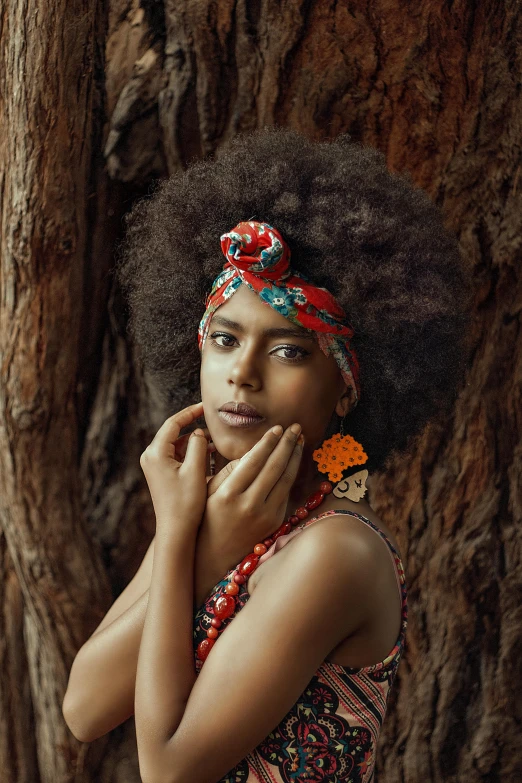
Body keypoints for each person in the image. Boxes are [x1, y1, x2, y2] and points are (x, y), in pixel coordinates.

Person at [97, 127, 470, 782]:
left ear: (348, 385)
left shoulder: (336, 554)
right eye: (224, 338)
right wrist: (204, 540)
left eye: (289, 349)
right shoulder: (214, 511)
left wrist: (185, 535)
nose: (242, 374)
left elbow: (166, 770)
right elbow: (81, 706)